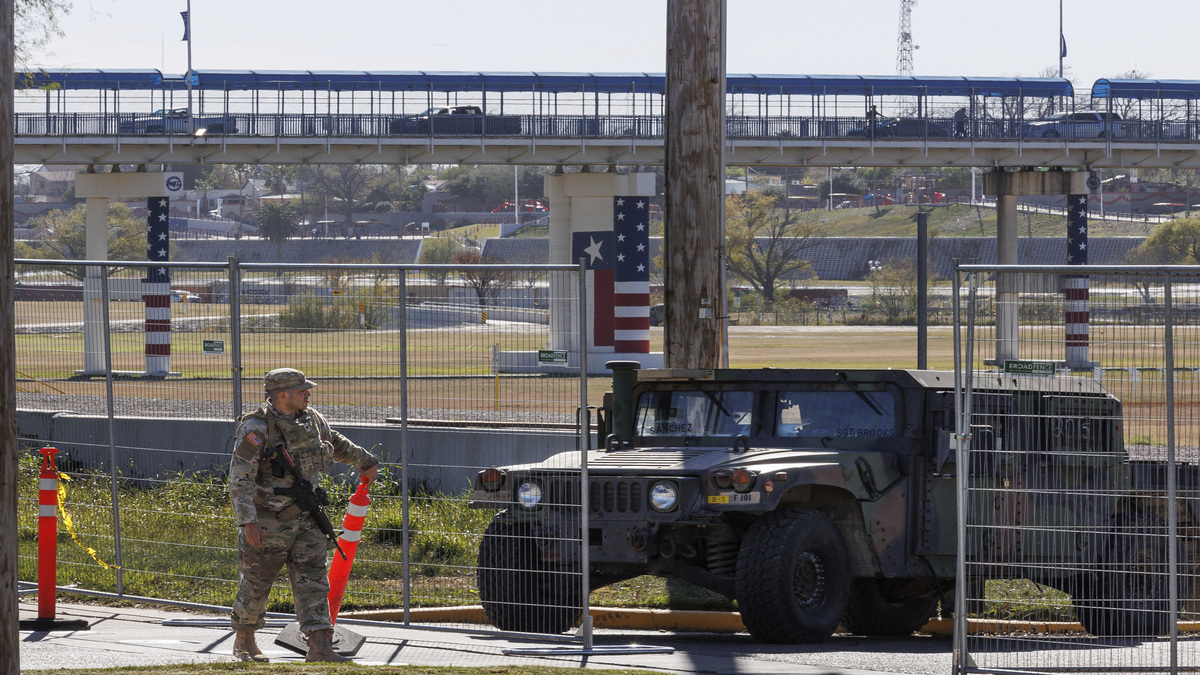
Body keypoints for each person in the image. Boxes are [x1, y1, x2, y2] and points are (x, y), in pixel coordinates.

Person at [229, 368, 379, 663]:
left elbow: (334, 442)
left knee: (313, 581)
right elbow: (239, 479)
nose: (307, 394)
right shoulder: (257, 429)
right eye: (301, 391)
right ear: (282, 395)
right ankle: (244, 640)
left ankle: (320, 645)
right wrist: (248, 522)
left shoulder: (312, 419)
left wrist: (365, 461)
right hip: (269, 522)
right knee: (257, 582)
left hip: (308, 518)